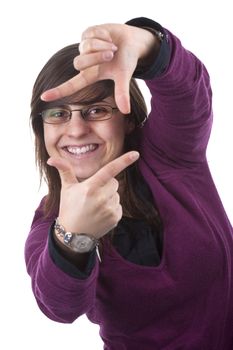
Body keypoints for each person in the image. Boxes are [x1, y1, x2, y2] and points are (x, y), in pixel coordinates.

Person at [25, 17, 233, 349]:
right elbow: (59, 306)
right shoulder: (53, 219)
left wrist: (148, 46)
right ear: (43, 130)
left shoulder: (170, 154)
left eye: (95, 110)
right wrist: (73, 237)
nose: (76, 130)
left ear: (129, 118)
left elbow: (189, 94)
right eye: (59, 114)